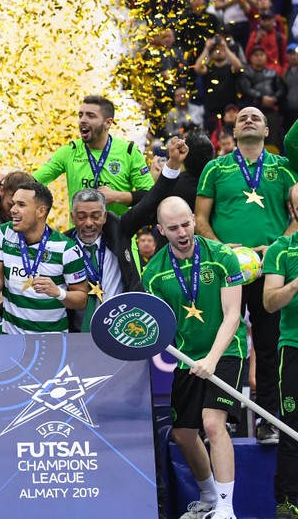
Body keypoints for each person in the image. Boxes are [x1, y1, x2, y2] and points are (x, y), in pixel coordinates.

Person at [197, 106, 297, 444]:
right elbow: (200, 220)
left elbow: (297, 215)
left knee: (268, 345)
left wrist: (280, 245)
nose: (250, 120)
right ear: (233, 130)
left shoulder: (283, 169)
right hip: (229, 271)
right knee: (227, 343)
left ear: (268, 131)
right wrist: (223, 250)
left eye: (257, 118)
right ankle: (227, 419)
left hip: (271, 269)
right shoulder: (215, 168)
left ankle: (268, 420)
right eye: (243, 118)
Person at [143, 196, 246, 519]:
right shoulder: (154, 273)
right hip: (188, 359)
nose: (182, 232)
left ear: (193, 220)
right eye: (173, 228)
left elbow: (233, 316)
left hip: (226, 351)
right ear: (162, 230)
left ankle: (227, 510)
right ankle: (209, 497)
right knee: (183, 433)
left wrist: (213, 359)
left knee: (213, 425)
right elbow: (158, 328)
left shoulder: (222, 257)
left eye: (186, 224)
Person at [63, 136, 188, 332]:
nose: (88, 223)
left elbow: (150, 201)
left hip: (123, 332)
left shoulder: (119, 229)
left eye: (95, 216)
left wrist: (172, 164)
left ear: (105, 216)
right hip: (76, 337)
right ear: (72, 217)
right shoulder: (62, 245)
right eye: (81, 216)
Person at [0, 181, 88, 334]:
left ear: (41, 211)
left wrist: (57, 292)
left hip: (52, 340)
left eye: (21, 205)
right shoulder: (3, 233)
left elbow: (81, 300)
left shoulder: (66, 248)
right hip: (12, 338)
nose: (13, 210)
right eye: (14, 203)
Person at [30, 95, 155, 215]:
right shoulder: (69, 151)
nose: (83, 120)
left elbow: (151, 195)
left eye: (90, 116)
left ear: (108, 123)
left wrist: (116, 196)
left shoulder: (129, 152)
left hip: (118, 235)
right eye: (80, 115)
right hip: (78, 235)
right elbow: (32, 182)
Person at [262, 183, 298, 518]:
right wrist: (295, 283)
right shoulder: (281, 250)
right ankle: (288, 501)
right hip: (294, 348)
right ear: (293, 211)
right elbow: (269, 303)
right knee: (292, 428)